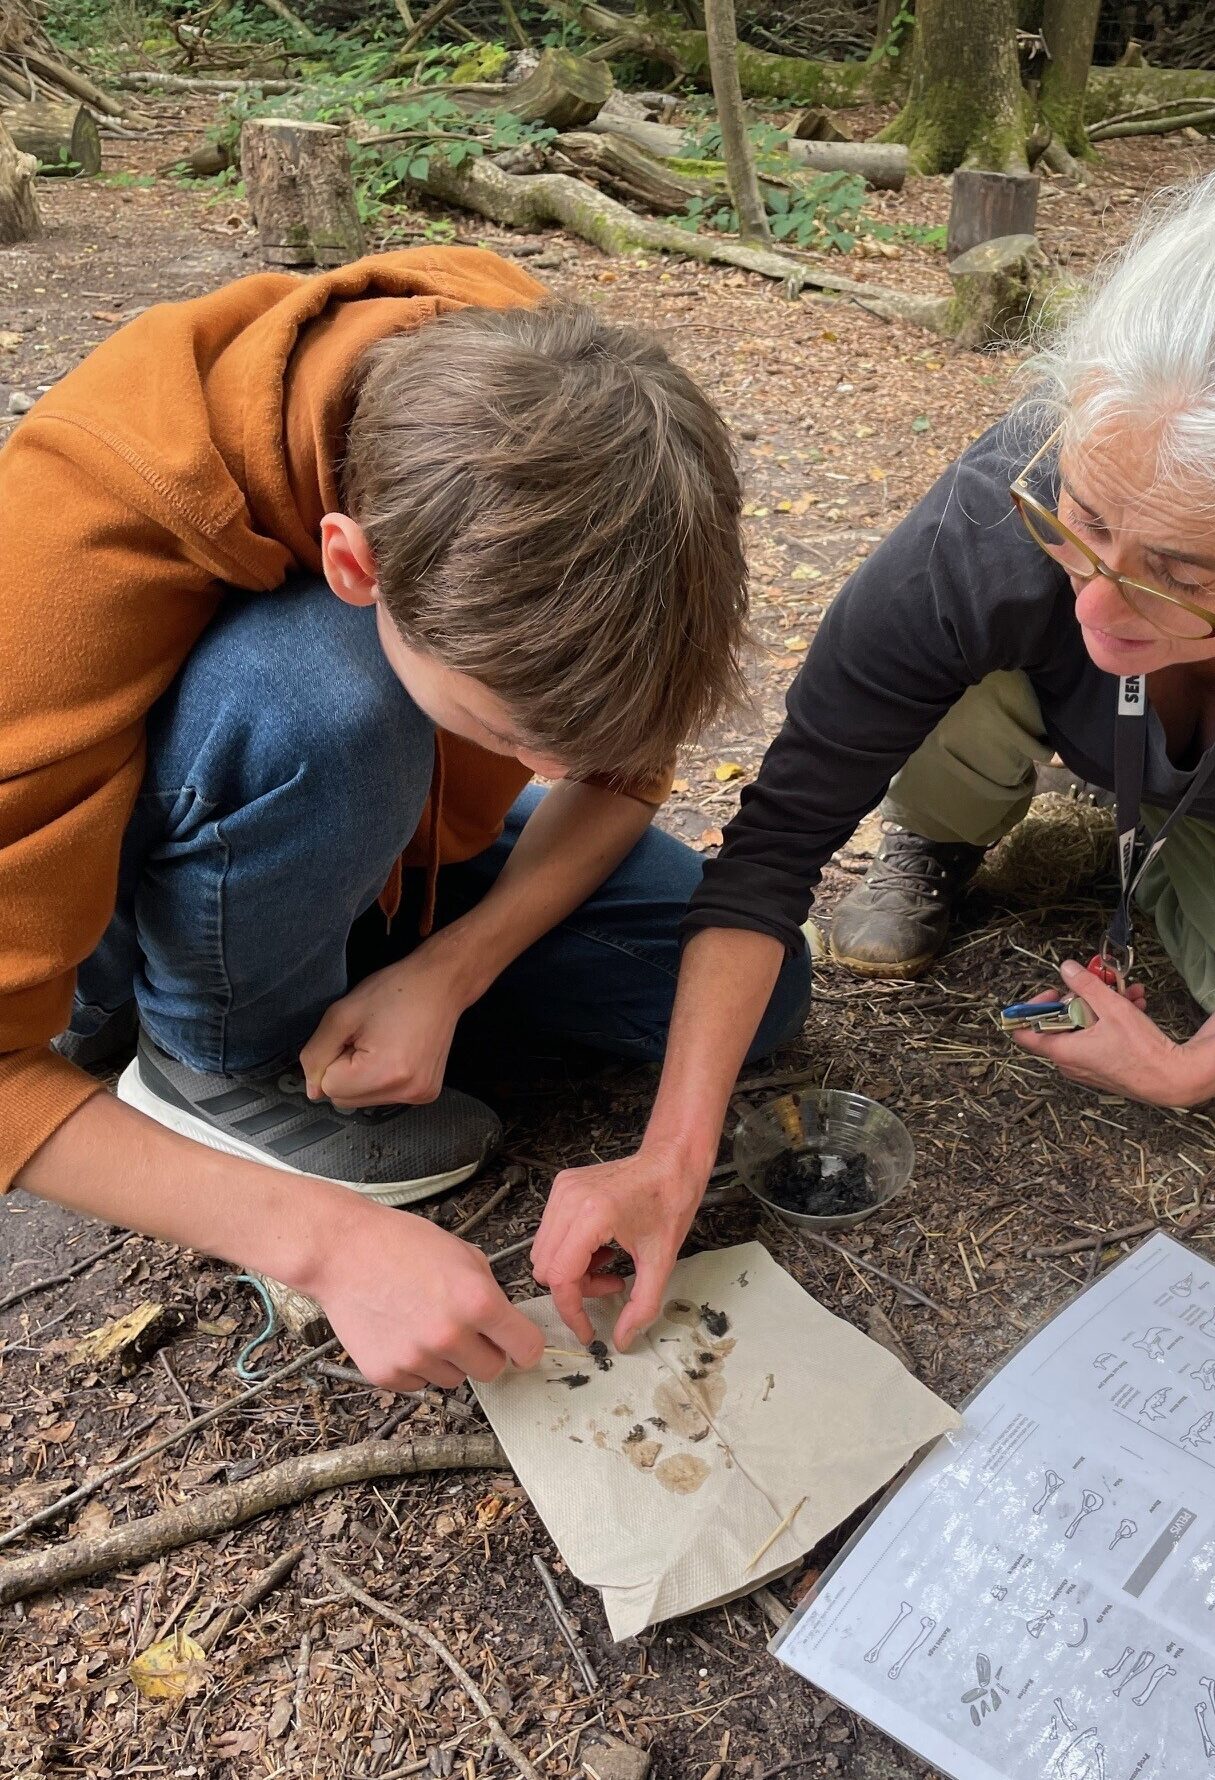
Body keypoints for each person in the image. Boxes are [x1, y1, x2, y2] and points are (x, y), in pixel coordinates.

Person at [532, 136, 1215, 1342]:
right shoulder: (1006, 503)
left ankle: (1167, 846)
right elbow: (778, 837)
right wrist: (673, 1150)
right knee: (997, 651)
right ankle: (945, 828)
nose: (1097, 608)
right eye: (1083, 522)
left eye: (1183, 573)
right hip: (1033, 711)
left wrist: (1198, 1068)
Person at [3, 247, 809, 1391]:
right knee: (332, 694)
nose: (561, 769)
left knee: (752, 988)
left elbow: (615, 769)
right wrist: (322, 1242)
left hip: (380, 843)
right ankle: (205, 1067)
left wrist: (452, 971)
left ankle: (343, 971)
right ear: (355, 559)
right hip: (143, 879)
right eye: (514, 731)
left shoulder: (593, 446)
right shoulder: (69, 545)